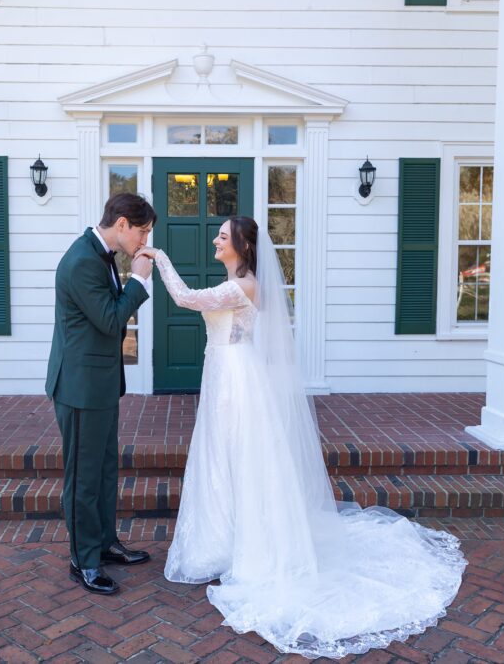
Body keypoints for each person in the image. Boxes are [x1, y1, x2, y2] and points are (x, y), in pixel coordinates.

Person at [140, 217, 467, 659]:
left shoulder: (247, 285)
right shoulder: (235, 279)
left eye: (222, 235)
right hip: (222, 375)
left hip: (238, 381)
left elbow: (185, 298)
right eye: (216, 233)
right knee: (221, 457)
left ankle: (251, 546)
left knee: (242, 457)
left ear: (242, 245)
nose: (215, 239)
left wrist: (157, 257)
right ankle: (222, 541)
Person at [46, 193, 157, 596]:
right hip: (79, 387)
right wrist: (140, 280)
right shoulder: (81, 261)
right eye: (142, 231)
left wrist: (131, 277)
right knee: (84, 477)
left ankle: (104, 542)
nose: (144, 240)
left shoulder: (102, 254)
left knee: (106, 469)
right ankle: (83, 560)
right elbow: (111, 320)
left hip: (101, 384)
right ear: (123, 223)